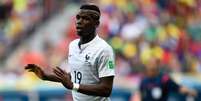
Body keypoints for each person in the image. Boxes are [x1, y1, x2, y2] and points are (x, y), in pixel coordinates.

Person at [25, 4, 115, 101]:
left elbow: (106, 89)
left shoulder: (104, 49)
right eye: (78, 18)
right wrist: (46, 76)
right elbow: (74, 76)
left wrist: (73, 86)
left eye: (85, 19)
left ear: (96, 24)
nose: (79, 22)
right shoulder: (73, 45)